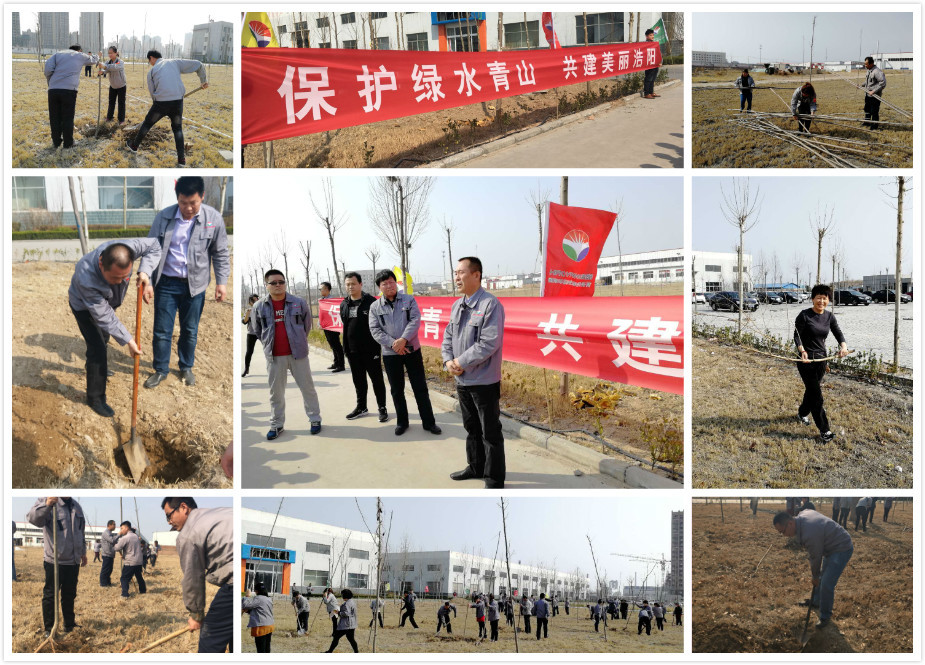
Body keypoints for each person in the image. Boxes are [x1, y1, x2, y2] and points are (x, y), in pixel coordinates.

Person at [143, 177, 230, 389]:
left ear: (202, 197)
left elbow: (220, 253)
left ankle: (186, 367)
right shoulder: (164, 217)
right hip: (167, 283)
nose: (188, 208)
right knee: (162, 330)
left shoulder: (213, 218)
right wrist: (146, 277)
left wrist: (222, 282)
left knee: (189, 330)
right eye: (183, 203)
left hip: (195, 285)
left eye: (193, 202)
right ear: (177, 199)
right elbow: (151, 249)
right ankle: (161, 369)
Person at [69, 239, 161, 416]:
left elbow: (154, 245)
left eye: (124, 277)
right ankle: (95, 398)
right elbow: (104, 316)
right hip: (84, 307)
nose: (120, 282)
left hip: (107, 304)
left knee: (103, 339)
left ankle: (96, 369)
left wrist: (145, 272)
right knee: (97, 349)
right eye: (114, 278)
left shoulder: (127, 248)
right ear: (101, 264)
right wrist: (128, 340)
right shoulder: (86, 276)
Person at [442, 257, 506, 489]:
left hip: (484, 381)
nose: (456, 277)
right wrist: (448, 360)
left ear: (476, 275)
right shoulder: (457, 305)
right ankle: (475, 466)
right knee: (471, 428)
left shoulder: (490, 305)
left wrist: (460, 361)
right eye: (455, 273)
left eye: (461, 272)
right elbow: (447, 336)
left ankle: (494, 478)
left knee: (490, 432)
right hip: (462, 379)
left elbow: (489, 343)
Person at [368, 270, 442, 436]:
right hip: (390, 353)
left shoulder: (409, 299)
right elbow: (375, 330)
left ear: (396, 283)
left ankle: (429, 423)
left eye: (391, 282)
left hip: (411, 350)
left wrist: (403, 340)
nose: (389, 286)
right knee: (396, 389)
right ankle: (402, 422)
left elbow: (415, 320)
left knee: (420, 387)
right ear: (380, 287)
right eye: (384, 284)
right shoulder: (375, 307)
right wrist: (393, 344)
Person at [251, 269, 323, 439]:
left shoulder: (298, 302)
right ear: (266, 285)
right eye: (273, 283)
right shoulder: (259, 306)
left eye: (281, 282)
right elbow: (258, 330)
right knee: (276, 393)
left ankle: (315, 419)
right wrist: (270, 345)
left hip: (298, 355)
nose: (278, 285)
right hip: (274, 357)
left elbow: (306, 326)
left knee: (307, 389)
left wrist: (298, 342)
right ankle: (277, 424)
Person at [163, 497, 234, 652]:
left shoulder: (189, 533)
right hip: (242, 578)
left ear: (183, 507)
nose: (169, 522)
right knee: (231, 629)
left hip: (234, 582)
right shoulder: (217, 513)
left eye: (169, 515)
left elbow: (193, 577)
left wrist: (196, 614)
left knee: (211, 639)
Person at [773, 508, 853, 628]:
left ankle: (825, 616)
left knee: (825, 583)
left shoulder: (809, 533)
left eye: (782, 532)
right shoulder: (801, 516)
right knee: (821, 578)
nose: (783, 535)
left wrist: (815, 576)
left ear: (790, 523)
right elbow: (808, 509)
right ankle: (815, 602)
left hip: (841, 547)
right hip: (829, 546)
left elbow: (816, 557)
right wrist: (816, 576)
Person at [126, 50, 208, 166]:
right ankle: (181, 160)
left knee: (147, 123)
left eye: (149, 61)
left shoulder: (152, 72)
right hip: (177, 103)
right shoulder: (174, 62)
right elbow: (198, 64)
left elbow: (152, 92)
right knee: (177, 129)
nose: (150, 63)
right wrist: (203, 81)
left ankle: (134, 146)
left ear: (151, 58)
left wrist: (157, 107)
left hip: (160, 104)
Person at [794, 284, 849, 443]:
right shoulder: (804, 315)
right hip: (805, 360)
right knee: (817, 396)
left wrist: (843, 347)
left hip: (821, 360)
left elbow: (838, 332)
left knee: (812, 392)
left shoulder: (829, 316)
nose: (821, 301)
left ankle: (802, 413)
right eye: (818, 298)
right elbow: (797, 336)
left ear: (828, 300)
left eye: (825, 298)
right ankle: (825, 431)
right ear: (813, 299)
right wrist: (802, 350)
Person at [27, 498, 87, 637]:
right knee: (50, 595)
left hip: (73, 561)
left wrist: (82, 552)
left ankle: (69, 624)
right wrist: (47, 504)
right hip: (54, 560)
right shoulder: (48, 501)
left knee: (69, 594)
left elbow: (80, 531)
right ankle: (50, 628)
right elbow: (33, 519)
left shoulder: (76, 506)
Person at [339, 272, 388, 423]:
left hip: (370, 350)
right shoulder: (344, 304)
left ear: (360, 284)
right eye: (347, 284)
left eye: (353, 284)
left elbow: (380, 325)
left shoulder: (372, 302)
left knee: (377, 380)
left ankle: (382, 408)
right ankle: (362, 407)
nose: (350, 287)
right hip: (352, 350)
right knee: (358, 380)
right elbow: (345, 325)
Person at [44, 45, 99, 149]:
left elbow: (47, 69)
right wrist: (98, 55)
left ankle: (56, 142)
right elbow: (93, 60)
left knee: (54, 117)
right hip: (69, 90)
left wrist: (51, 82)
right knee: (67, 117)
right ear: (80, 50)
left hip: (53, 90)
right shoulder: (80, 55)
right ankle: (68, 143)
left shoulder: (57, 55)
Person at [113, 521, 146, 598]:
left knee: (124, 578)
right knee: (139, 577)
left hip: (130, 562)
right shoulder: (136, 536)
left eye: (122, 528)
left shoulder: (125, 538)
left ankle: (125, 594)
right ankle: (143, 590)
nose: (121, 530)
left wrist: (113, 544)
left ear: (127, 528)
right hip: (138, 561)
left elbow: (117, 548)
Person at [318, 282, 345, 372]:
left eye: (321, 289)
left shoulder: (332, 300)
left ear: (327, 289)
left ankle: (341, 365)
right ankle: (336, 362)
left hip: (333, 326)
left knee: (336, 345)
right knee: (332, 345)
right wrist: (320, 324)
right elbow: (322, 314)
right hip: (326, 326)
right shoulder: (323, 300)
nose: (320, 291)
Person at [97, 46, 127, 124]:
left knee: (121, 103)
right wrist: (102, 72)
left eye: (111, 53)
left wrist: (104, 66)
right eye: (108, 53)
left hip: (121, 86)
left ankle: (121, 120)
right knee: (111, 102)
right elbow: (106, 70)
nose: (110, 55)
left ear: (116, 53)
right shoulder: (108, 62)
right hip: (113, 86)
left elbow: (114, 67)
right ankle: (109, 117)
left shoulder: (120, 62)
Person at [243, 583, 275, 652]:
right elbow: (261, 610)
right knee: (267, 648)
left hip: (261, 627)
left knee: (261, 650)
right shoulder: (268, 599)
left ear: (256, 591)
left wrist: (247, 596)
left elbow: (245, 605)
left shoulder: (258, 598)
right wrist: (248, 611)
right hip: (269, 626)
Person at [326, 589, 359, 653]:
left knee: (336, 637)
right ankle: (356, 652)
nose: (342, 596)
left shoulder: (347, 604)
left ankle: (329, 652)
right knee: (351, 639)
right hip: (351, 624)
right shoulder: (352, 602)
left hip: (346, 625)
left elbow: (346, 613)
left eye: (342, 594)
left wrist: (338, 613)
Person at [862, 56, 886, 129]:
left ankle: (874, 126)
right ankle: (867, 122)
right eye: (865, 64)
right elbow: (868, 82)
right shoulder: (869, 70)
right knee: (867, 109)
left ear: (871, 63)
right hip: (868, 94)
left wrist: (873, 91)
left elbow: (883, 83)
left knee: (874, 111)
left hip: (875, 96)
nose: (865, 66)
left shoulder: (877, 71)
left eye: (866, 64)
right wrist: (861, 85)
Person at [241, 294, 260, 377]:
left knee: (269, 349)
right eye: (253, 300)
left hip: (261, 333)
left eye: (256, 299)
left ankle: (275, 366)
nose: (255, 301)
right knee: (249, 352)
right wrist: (248, 314)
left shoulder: (261, 309)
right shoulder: (248, 310)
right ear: (250, 302)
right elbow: (244, 322)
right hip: (251, 333)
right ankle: (246, 369)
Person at [99, 520, 118, 587]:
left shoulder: (110, 533)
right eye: (114, 524)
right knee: (105, 569)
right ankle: (103, 583)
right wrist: (119, 534)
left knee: (109, 569)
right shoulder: (106, 533)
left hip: (110, 554)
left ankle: (107, 582)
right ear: (109, 525)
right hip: (107, 554)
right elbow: (112, 540)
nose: (115, 526)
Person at [642, 29, 660, 99]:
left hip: (655, 64)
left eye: (653, 35)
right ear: (646, 36)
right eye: (650, 35)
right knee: (648, 78)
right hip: (649, 64)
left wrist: (659, 62)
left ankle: (651, 92)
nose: (652, 36)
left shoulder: (654, 44)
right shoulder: (645, 44)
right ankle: (646, 93)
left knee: (653, 79)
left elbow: (658, 54)